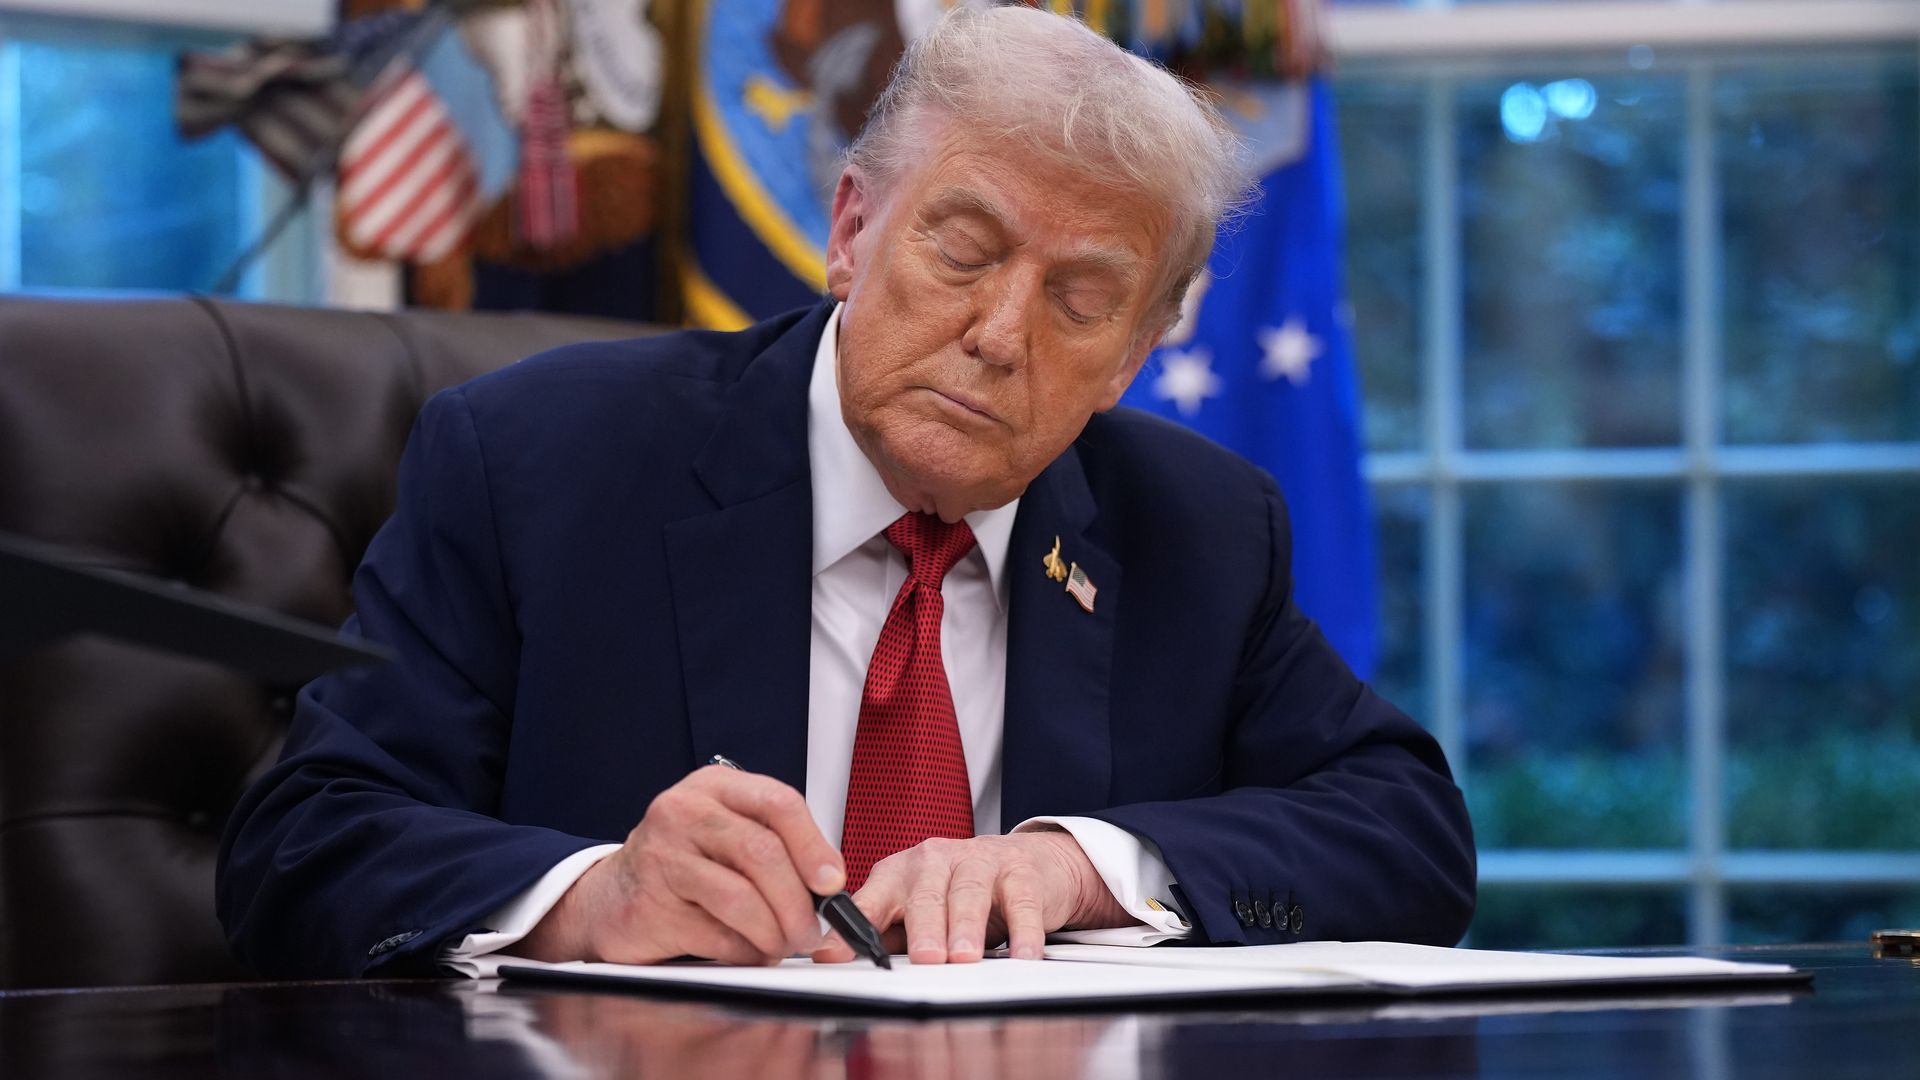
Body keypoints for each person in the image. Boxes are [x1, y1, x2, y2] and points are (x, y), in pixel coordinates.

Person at [217, 7, 1474, 977]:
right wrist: (588, 901)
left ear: (1134, 359)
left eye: (1079, 302)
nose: (996, 333)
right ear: (851, 232)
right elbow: (303, 846)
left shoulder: (1194, 527)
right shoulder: (539, 461)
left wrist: (1089, 866)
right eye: (961, 251)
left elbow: (1407, 833)